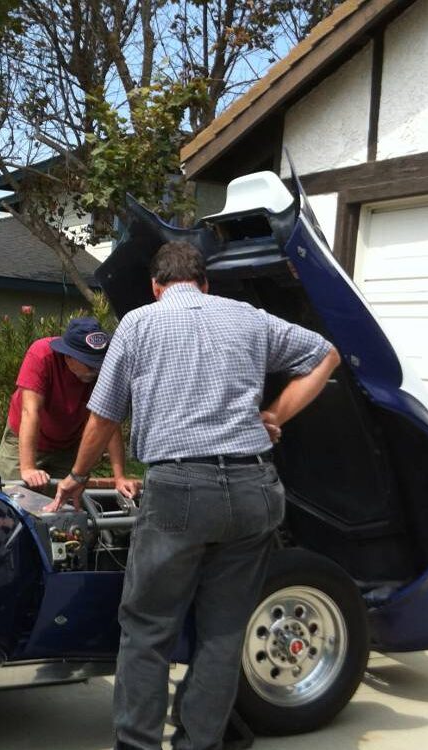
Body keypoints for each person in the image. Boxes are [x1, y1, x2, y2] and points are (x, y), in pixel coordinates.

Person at [50, 241, 340, 750]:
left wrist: (75, 477)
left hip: (181, 491)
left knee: (148, 627)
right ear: (205, 283)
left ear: (157, 287)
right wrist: (275, 415)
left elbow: (104, 415)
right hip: (254, 488)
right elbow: (326, 354)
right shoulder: (250, 318)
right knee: (224, 632)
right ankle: (198, 742)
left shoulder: (140, 324)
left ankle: (138, 744)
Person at [0, 317, 138, 498]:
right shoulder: (42, 355)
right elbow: (30, 412)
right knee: (15, 499)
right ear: (69, 356)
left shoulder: (101, 372)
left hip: (67, 445)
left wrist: (119, 477)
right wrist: (28, 468)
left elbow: (108, 422)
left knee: (63, 507)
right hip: (23, 441)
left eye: (100, 362)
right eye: (89, 364)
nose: (96, 370)